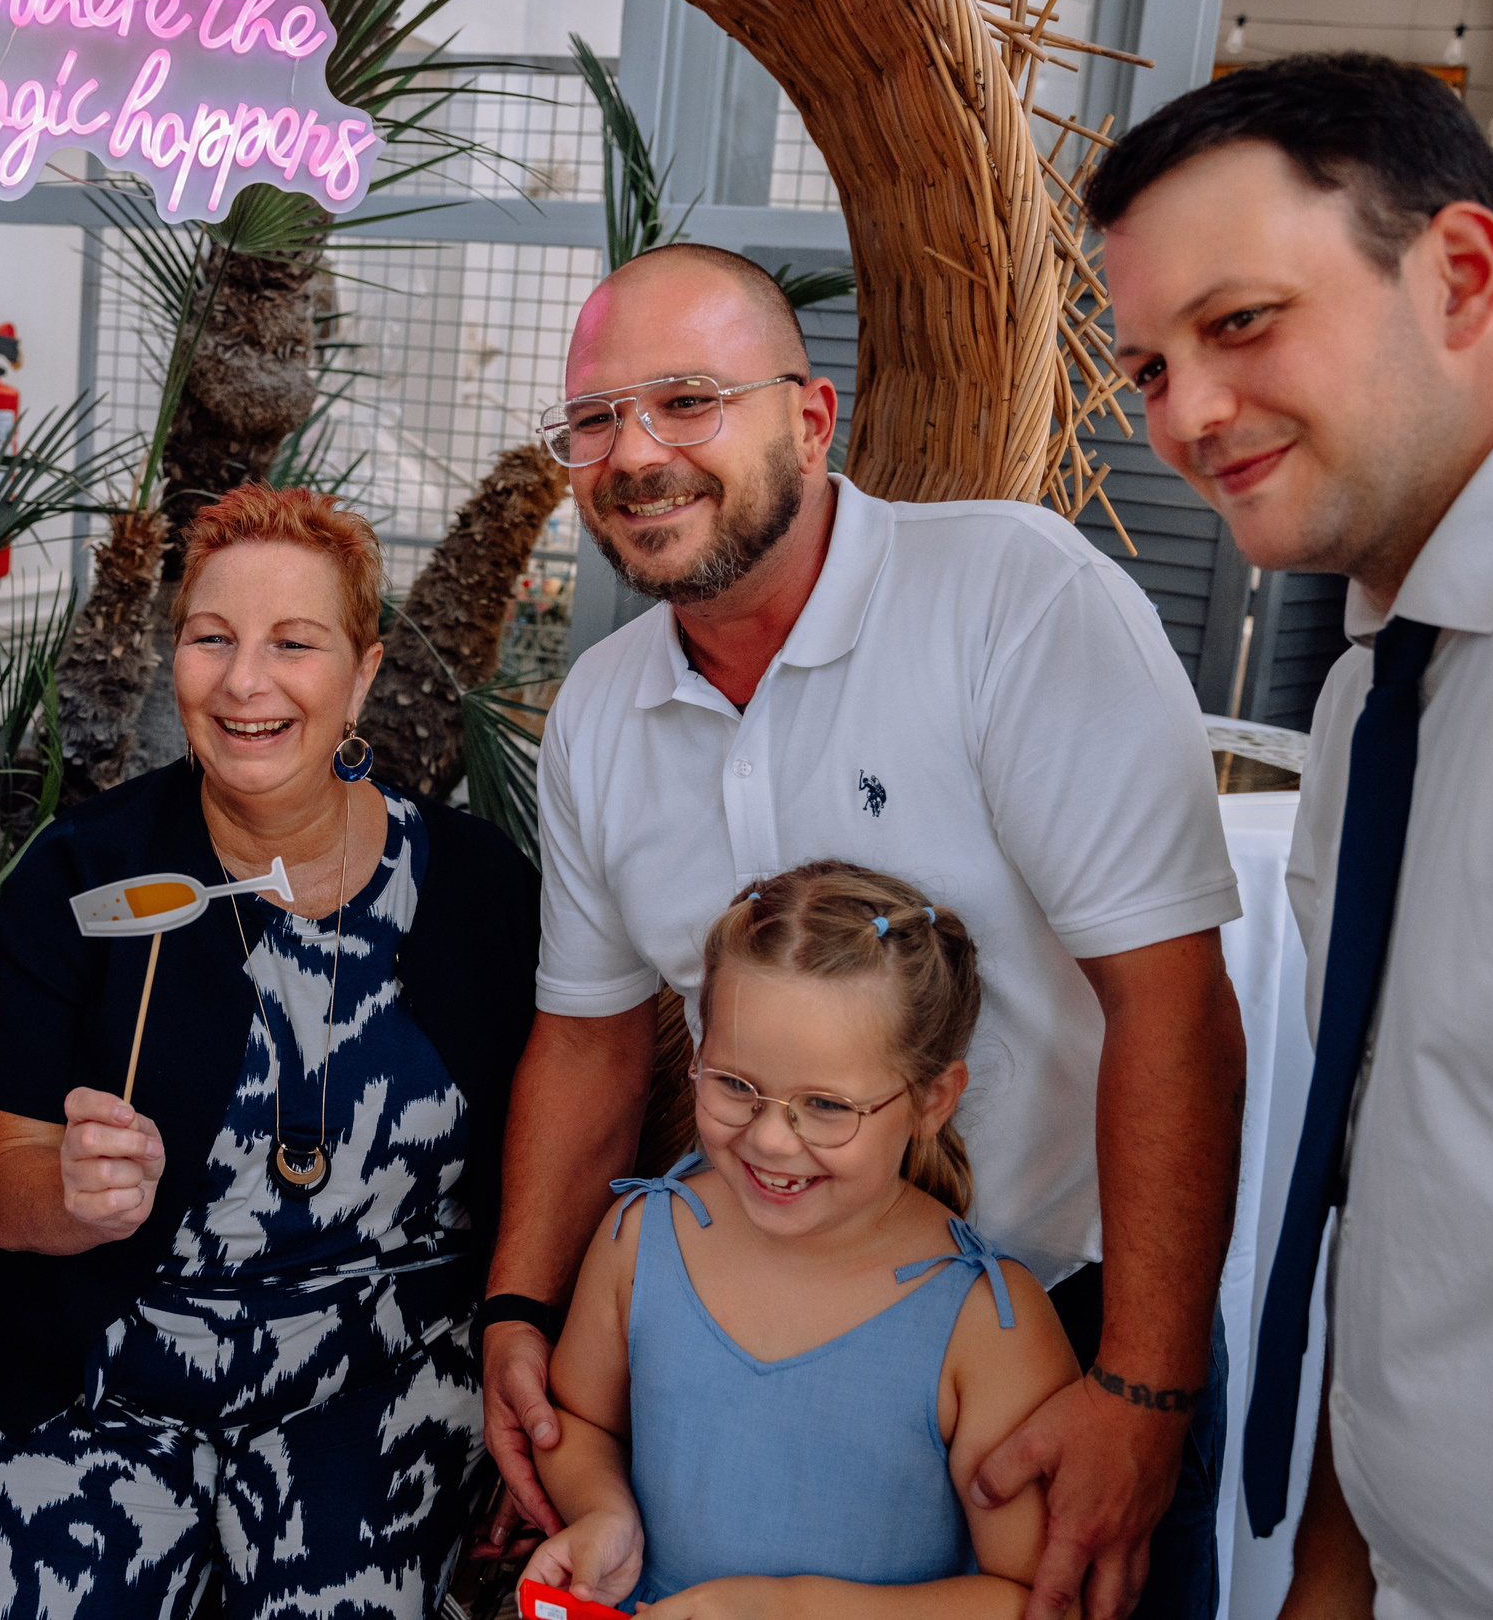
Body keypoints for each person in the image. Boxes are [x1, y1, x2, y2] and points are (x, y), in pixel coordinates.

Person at [487, 242, 1248, 1620]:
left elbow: (1173, 1004)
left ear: (810, 416)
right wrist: (521, 1310)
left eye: (687, 400)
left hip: (1067, 1335)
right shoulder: (598, 708)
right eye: (594, 420)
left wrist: (1144, 1388)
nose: (636, 453)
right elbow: (588, 1042)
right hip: (745, 1332)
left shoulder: (1011, 599)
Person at [1091, 51, 1493, 1620]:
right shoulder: (1373, 698)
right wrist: (1332, 1574)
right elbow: (1405, 1185)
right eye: (1148, 368)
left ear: (1461, 275)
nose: (1188, 417)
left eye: (1241, 322)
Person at [0, 484, 541, 1619]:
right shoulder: (88, 873)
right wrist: (71, 1194)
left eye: (293, 644)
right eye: (210, 638)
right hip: (108, 1363)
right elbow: (9, 1189)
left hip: (377, 1369)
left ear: (361, 673)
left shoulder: (476, 888)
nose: (243, 682)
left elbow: (540, 1160)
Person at [523, 862, 1079, 1617]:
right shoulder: (643, 1235)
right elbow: (581, 1420)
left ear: (932, 1100)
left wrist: (792, 1609)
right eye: (735, 1085)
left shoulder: (990, 1326)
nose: (772, 1140)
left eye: (826, 1105)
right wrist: (602, 1511)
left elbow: (1035, 1600)